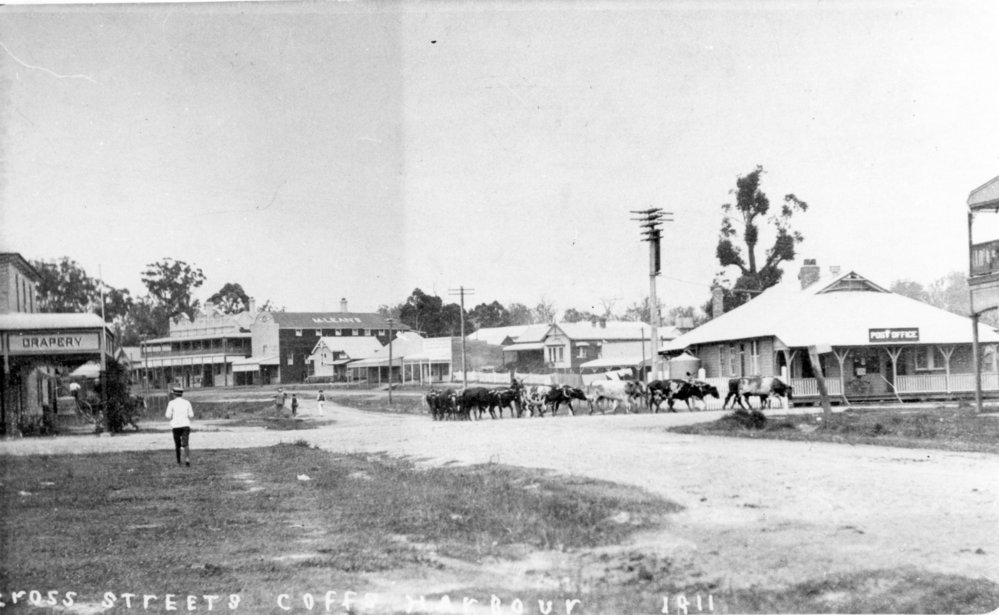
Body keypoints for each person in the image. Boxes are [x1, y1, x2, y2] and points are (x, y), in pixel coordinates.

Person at [165, 386, 194, 467]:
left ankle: (178, 460)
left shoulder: (171, 403)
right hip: (185, 425)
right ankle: (187, 459)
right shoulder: (187, 402)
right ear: (182, 394)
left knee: (177, 444)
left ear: (174, 394)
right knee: (186, 443)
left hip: (176, 426)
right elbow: (191, 415)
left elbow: (168, 415)